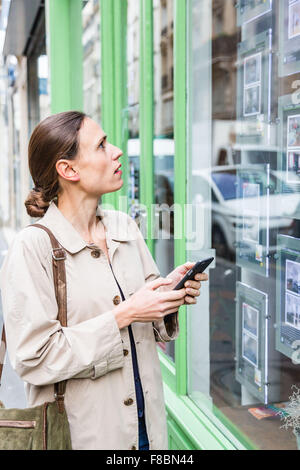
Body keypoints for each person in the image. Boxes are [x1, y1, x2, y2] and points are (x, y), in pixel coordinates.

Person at [0, 111, 208, 450]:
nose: (117, 152)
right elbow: (34, 359)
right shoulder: (32, 247)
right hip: (84, 436)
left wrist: (167, 296)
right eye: (101, 146)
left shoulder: (123, 225)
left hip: (150, 432)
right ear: (68, 170)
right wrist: (125, 313)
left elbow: (147, 322)